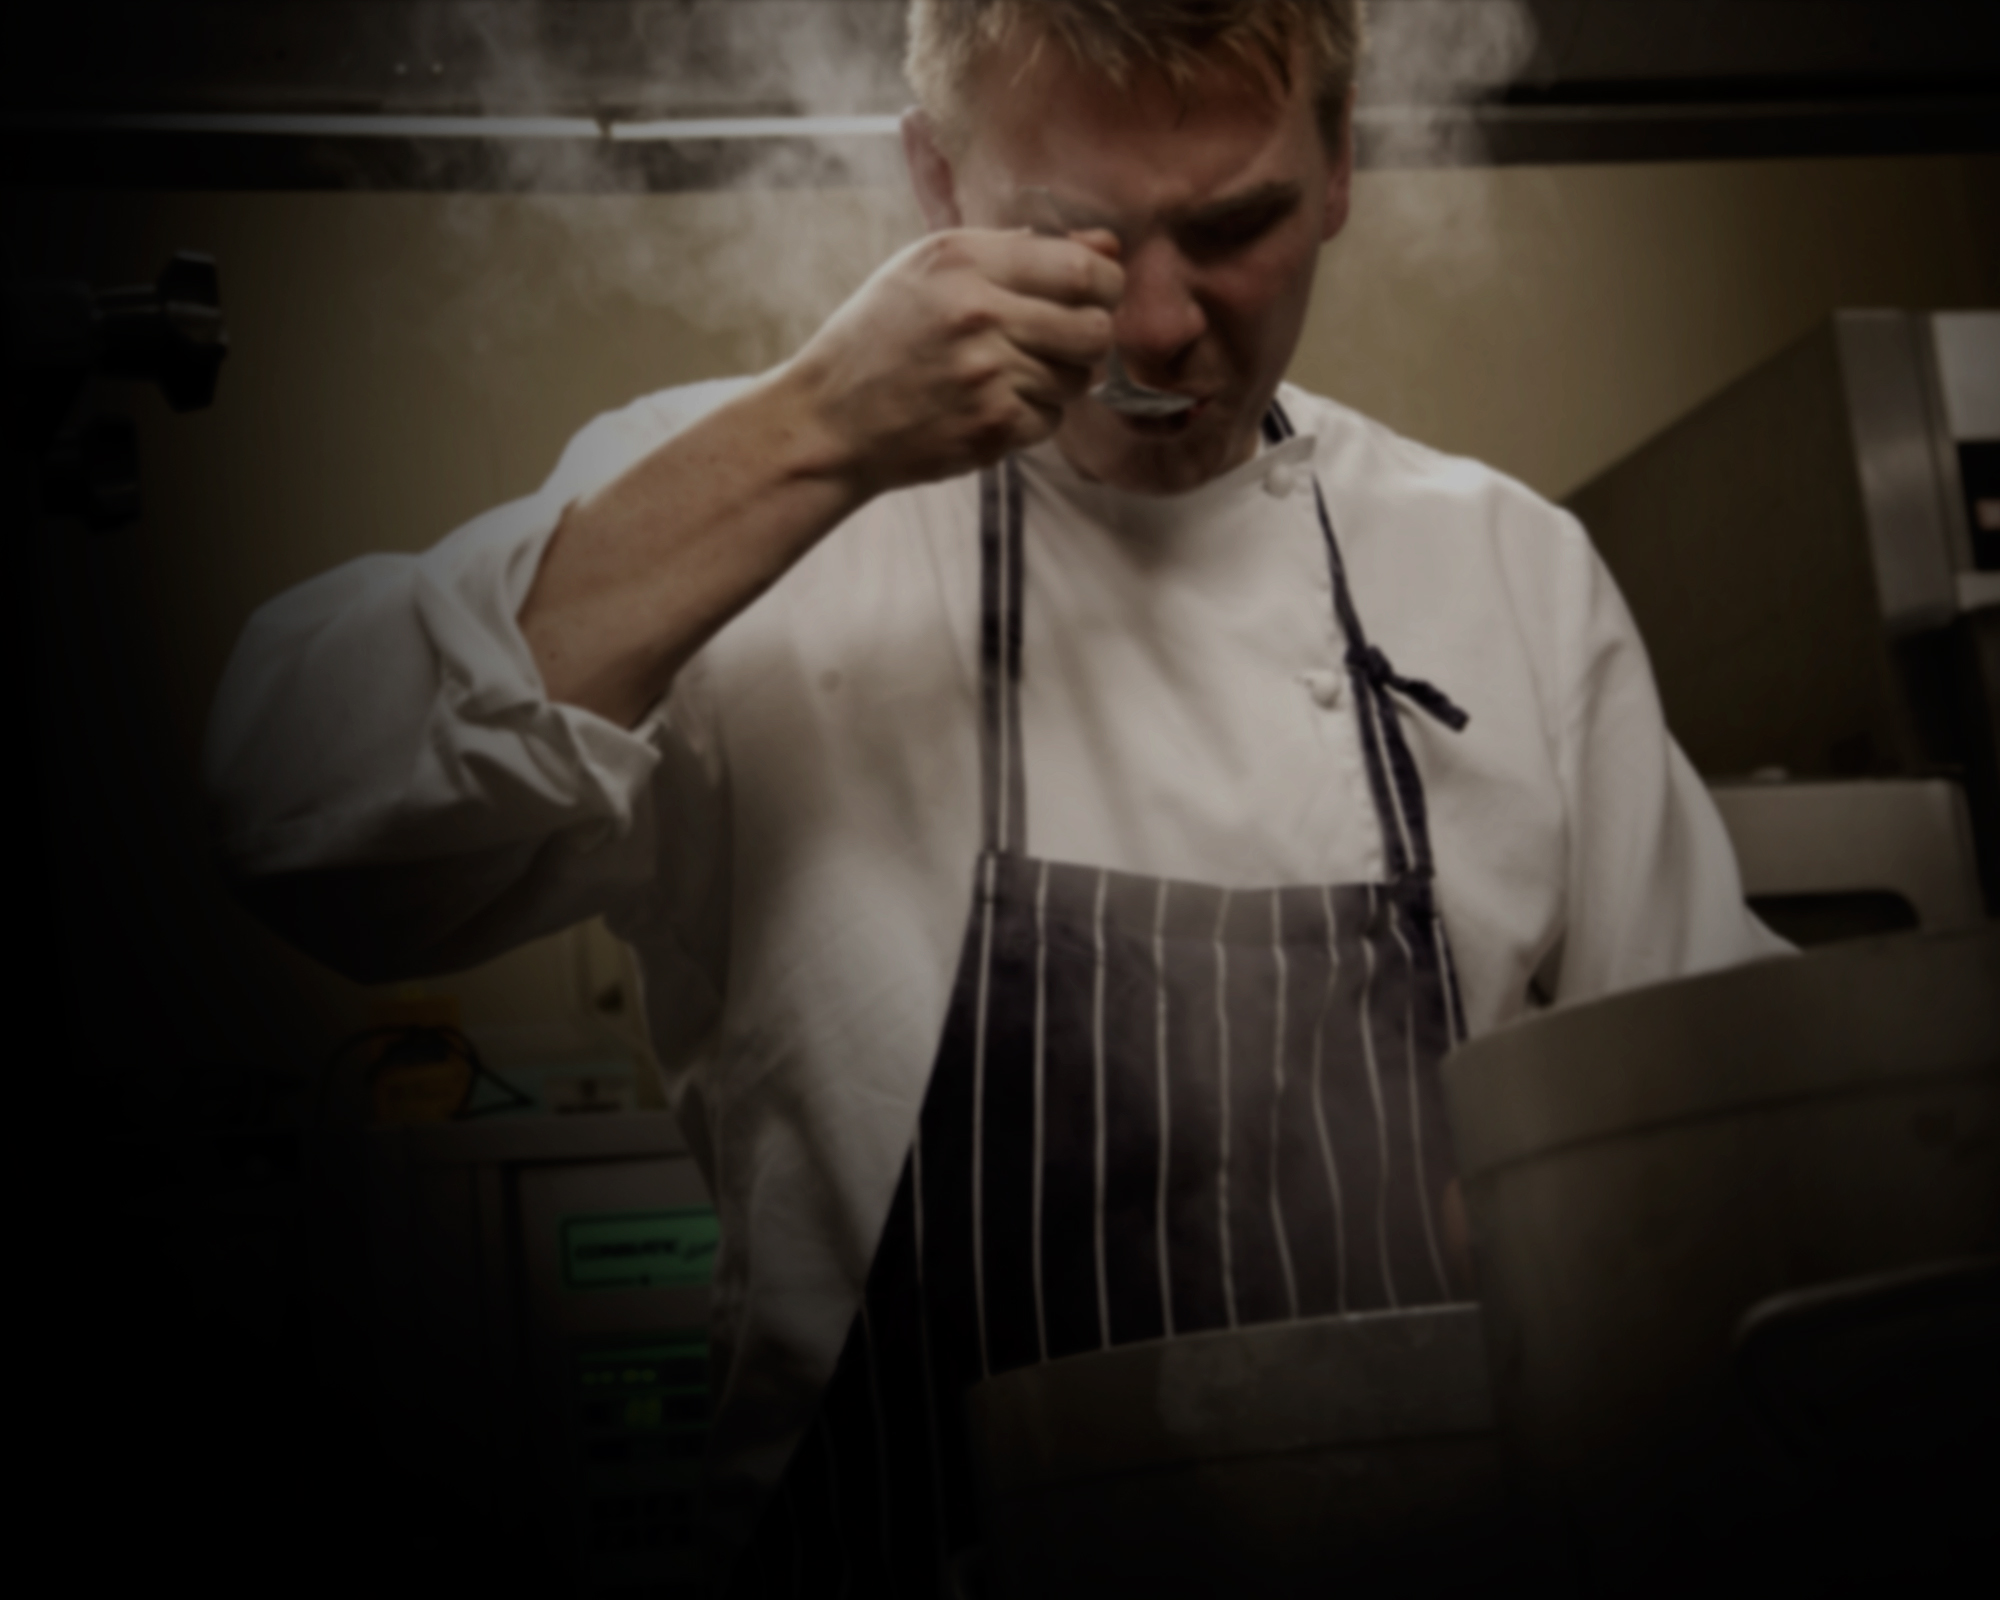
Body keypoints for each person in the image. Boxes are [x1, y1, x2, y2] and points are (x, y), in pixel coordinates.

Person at [204, 0, 1789, 1591]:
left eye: (1230, 228)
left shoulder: (1507, 572)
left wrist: (1578, 1227)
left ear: (1339, 170)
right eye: (1075, 236)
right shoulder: (766, 507)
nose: (1156, 326)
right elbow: (292, 809)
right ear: (937, 184)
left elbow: (1733, 1172)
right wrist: (818, 430)